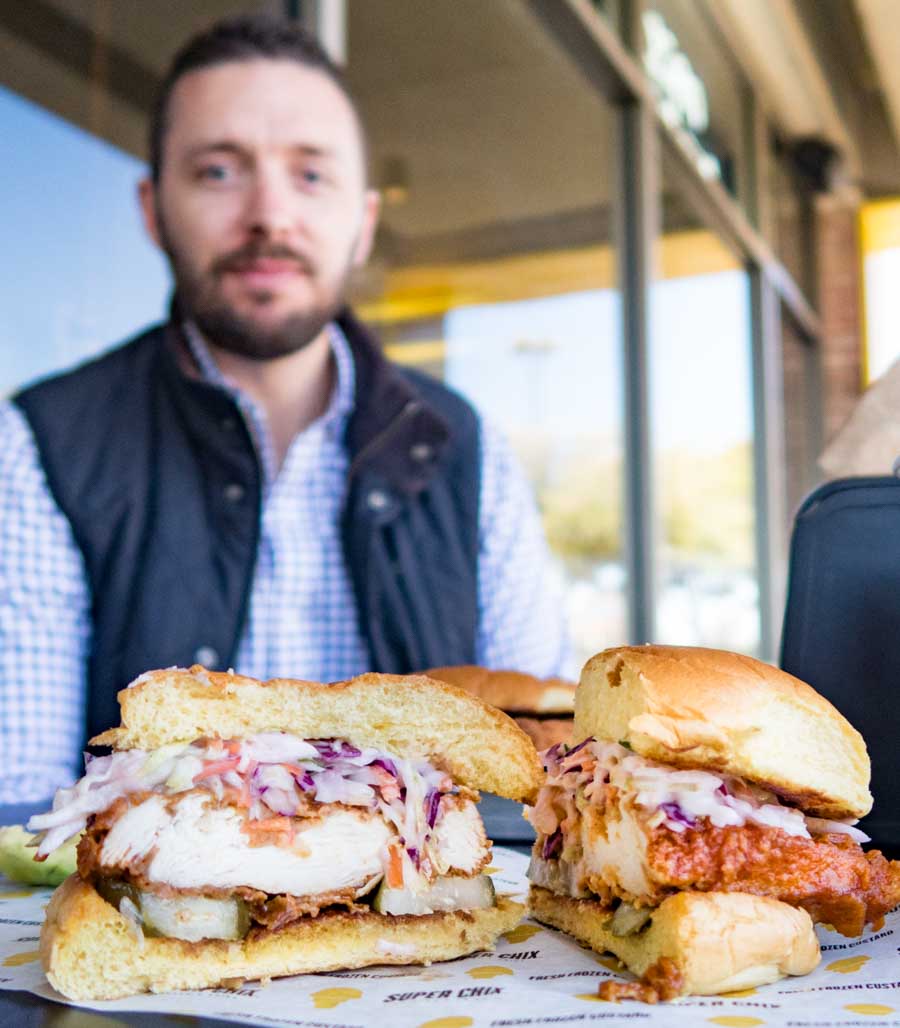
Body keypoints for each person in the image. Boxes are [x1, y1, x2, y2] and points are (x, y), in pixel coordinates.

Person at [0, 15, 567, 803]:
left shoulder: (463, 447)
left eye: (310, 175)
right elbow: (15, 807)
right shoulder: (40, 445)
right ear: (152, 208)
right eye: (218, 172)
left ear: (363, 224)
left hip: (441, 917)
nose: (270, 213)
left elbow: (539, 764)